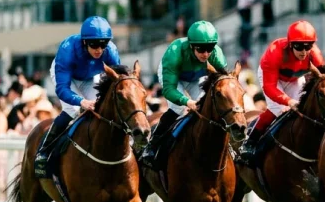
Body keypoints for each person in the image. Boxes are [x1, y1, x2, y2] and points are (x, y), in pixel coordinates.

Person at [34, 16, 120, 177]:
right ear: (84, 42)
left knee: (101, 108)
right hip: (68, 77)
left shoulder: (111, 51)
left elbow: (119, 81)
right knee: (73, 109)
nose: (99, 50)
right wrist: (81, 101)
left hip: (89, 78)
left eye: (103, 44)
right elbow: (62, 89)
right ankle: (43, 152)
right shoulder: (67, 50)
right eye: (94, 44)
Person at [238, 20, 325, 166]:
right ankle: (250, 142)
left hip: (294, 78)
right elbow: (270, 88)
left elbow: (324, 79)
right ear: (290, 44)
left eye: (308, 46)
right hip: (273, 79)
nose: (304, 51)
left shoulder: (315, 54)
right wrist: (288, 101)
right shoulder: (274, 52)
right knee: (277, 110)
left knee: (304, 111)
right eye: (299, 46)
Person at [140, 21, 226, 168]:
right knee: (179, 109)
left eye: (209, 48)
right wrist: (186, 101)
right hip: (174, 77)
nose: (206, 54)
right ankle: (152, 146)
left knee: (207, 107)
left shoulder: (216, 54)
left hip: (196, 77)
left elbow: (224, 81)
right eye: (201, 49)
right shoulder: (175, 53)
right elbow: (168, 90)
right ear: (191, 45)